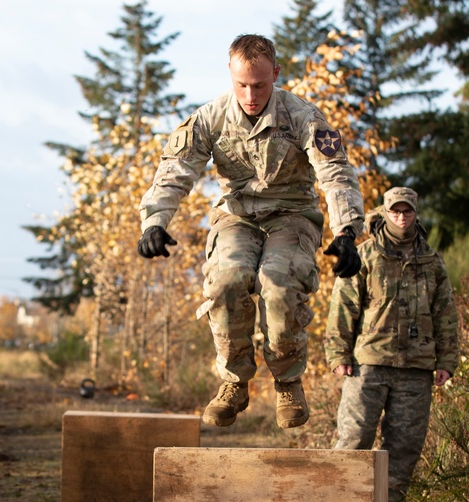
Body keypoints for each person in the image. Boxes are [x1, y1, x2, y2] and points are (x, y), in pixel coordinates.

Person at [136, 34, 365, 429]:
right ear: (230, 74)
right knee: (225, 280)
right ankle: (234, 383)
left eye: (260, 85)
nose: (250, 94)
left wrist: (346, 230)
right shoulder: (211, 117)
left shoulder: (302, 117)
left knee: (277, 283)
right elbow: (176, 169)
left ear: (275, 74)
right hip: (237, 216)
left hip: (291, 215)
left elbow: (335, 173)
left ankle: (288, 381)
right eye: (241, 84)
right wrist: (155, 221)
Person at [324, 187, 459, 502]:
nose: (401, 217)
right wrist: (338, 354)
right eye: (395, 212)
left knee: (405, 443)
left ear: (415, 213)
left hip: (417, 366)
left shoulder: (431, 259)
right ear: (385, 213)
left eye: (407, 211)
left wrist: (447, 361)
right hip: (367, 364)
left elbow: (445, 313)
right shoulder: (365, 255)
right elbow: (343, 306)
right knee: (355, 437)